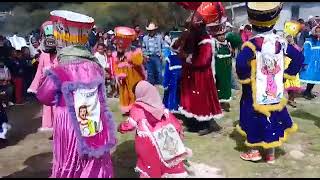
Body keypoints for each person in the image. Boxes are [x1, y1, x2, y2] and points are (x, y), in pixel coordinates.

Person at [236, 2, 303, 163]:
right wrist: (287, 74)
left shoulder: (252, 45)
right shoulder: (281, 43)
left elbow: (240, 63)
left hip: (253, 91)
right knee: (272, 117)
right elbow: (299, 57)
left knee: (252, 118)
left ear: (252, 21)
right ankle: (270, 153)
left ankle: (254, 151)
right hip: (275, 90)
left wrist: (246, 79)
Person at [36, 45, 116, 178]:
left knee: (69, 156)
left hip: (68, 120)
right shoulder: (96, 68)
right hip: (92, 116)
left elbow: (44, 96)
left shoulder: (59, 70)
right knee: (93, 156)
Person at [118, 80, 191, 178]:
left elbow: (129, 125)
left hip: (148, 144)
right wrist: (179, 135)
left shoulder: (137, 108)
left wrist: (120, 128)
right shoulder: (158, 104)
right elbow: (174, 123)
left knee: (151, 167)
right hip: (165, 140)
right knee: (167, 162)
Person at [178, 2, 224, 136]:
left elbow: (204, 60)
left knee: (202, 100)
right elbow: (179, 49)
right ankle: (194, 123)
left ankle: (208, 124)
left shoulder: (205, 39)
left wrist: (189, 60)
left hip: (202, 76)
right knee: (192, 100)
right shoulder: (191, 36)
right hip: (192, 75)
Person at [28, 36, 58, 132]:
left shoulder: (61, 55)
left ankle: (60, 129)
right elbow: (39, 72)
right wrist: (35, 87)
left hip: (59, 87)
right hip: (47, 88)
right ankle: (52, 128)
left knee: (59, 109)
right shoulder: (43, 56)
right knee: (49, 107)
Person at [113, 26, 145, 114]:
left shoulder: (135, 51)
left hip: (134, 76)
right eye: (118, 40)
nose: (119, 43)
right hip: (123, 77)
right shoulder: (116, 54)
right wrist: (118, 75)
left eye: (121, 40)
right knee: (124, 92)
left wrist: (131, 58)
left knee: (133, 92)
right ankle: (127, 108)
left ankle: (136, 108)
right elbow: (116, 66)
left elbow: (139, 62)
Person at [283, 20, 304, 107]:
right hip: (286, 61)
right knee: (285, 81)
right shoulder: (284, 37)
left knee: (294, 82)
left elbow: (298, 50)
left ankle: (291, 99)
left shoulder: (292, 38)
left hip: (292, 62)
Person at [299, 17, 320, 100]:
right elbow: (306, 53)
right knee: (311, 78)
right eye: (317, 31)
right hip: (311, 63)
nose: (319, 33)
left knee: (315, 78)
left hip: (317, 63)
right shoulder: (309, 40)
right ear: (314, 31)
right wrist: (306, 63)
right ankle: (307, 92)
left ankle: (308, 91)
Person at [163, 37, 182, 113]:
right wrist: (166, 83)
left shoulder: (183, 58)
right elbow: (167, 72)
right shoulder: (170, 58)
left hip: (181, 81)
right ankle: (171, 109)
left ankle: (176, 108)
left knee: (178, 94)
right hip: (172, 81)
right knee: (172, 95)